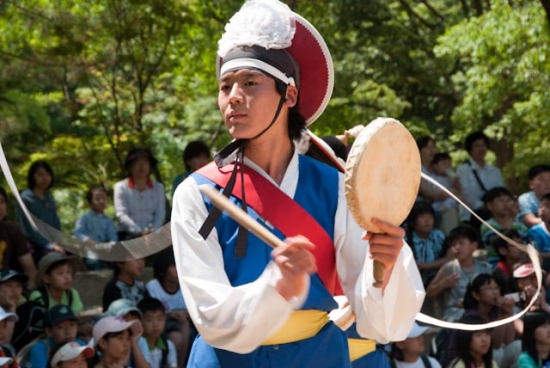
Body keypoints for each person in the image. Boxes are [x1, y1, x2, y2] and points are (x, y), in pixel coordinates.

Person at [170, 1, 424, 367]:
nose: (234, 97)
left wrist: (386, 267)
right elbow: (209, 313)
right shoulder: (197, 193)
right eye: (226, 86)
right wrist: (275, 288)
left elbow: (380, 324)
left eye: (250, 83)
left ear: (289, 95)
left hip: (318, 357)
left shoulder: (337, 187)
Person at [426, 225, 492, 321]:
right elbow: (429, 293)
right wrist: (442, 284)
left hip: (482, 311)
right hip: (455, 313)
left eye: (461, 243)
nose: (457, 247)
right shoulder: (449, 268)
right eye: (453, 245)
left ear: (474, 245)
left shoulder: (485, 268)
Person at [463, 273, 520, 368]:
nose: (495, 292)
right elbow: (496, 344)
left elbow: (509, 340)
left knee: (518, 345)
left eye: (496, 288)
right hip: (470, 361)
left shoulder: (495, 310)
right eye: (489, 289)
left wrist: (508, 312)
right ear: (476, 295)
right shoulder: (471, 315)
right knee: (497, 352)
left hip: (492, 359)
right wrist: (502, 315)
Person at [145, 248, 189, 367]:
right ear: (162, 271)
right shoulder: (153, 287)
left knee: (185, 325)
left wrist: (186, 313)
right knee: (176, 338)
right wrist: (170, 314)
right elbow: (150, 310)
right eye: (174, 266)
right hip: (160, 327)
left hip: (182, 325)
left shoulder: (185, 286)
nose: (179, 269)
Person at [15, 161, 63, 262]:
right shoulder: (26, 199)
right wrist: (49, 245)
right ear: (33, 176)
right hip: (34, 244)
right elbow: (27, 230)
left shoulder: (49, 198)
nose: (45, 178)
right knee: (54, 258)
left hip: (53, 242)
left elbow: (56, 222)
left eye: (48, 174)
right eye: (40, 174)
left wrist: (57, 241)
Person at [114, 148, 166, 240]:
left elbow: (160, 213)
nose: (142, 166)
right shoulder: (120, 187)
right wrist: (139, 231)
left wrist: (153, 231)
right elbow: (121, 214)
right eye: (137, 162)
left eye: (145, 162)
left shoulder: (158, 188)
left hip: (153, 234)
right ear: (130, 167)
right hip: (128, 234)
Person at [456, 132, 504, 226]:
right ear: (470, 149)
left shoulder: (494, 171)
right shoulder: (463, 170)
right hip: (472, 215)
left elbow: (501, 192)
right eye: (476, 146)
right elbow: (465, 193)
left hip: (494, 214)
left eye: (483, 145)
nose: (481, 149)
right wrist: (482, 206)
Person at [405, 201, 452, 287]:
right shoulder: (405, 239)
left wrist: (426, 266)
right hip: (410, 280)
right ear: (412, 222)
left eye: (430, 217)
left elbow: (451, 258)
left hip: (437, 278)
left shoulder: (439, 236)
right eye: (422, 217)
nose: (427, 221)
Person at [72, 186, 118, 270]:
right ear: (90, 203)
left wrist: (111, 244)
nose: (102, 201)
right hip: (90, 248)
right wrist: (86, 240)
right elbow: (77, 233)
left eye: (104, 198)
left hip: (105, 247)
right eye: (98, 199)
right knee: (93, 261)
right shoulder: (85, 218)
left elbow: (112, 235)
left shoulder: (108, 220)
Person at [0, 186, 37, 287]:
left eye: (2, 202)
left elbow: (30, 269)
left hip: (7, 287)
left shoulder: (13, 231)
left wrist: (31, 293)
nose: (0, 207)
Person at [137, 297, 177, 368]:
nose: (155, 324)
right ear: (140, 321)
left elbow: (173, 365)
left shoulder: (168, 345)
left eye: (160, 319)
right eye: (149, 320)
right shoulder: (136, 345)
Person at [430, 152, 461, 234]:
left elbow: (459, 190)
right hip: (439, 204)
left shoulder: (450, 178)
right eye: (443, 164)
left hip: (451, 203)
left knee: (453, 200)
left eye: (449, 164)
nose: (447, 166)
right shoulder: (434, 178)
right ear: (435, 167)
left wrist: (456, 182)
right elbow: (439, 192)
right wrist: (452, 192)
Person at [492, 229, 527, 294]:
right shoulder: (499, 272)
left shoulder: (527, 264)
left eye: (521, 243)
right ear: (503, 250)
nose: (520, 247)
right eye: (514, 245)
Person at [528, 193, 550, 271]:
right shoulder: (534, 232)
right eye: (540, 206)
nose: (542, 210)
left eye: (548, 206)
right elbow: (535, 255)